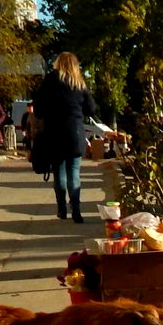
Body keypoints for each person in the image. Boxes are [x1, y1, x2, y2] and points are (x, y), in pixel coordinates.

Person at [33, 52, 98, 223]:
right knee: (74, 173)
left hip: (54, 134)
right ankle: (76, 209)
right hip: (74, 133)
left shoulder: (49, 81)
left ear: (58, 64)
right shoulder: (79, 83)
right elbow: (91, 109)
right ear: (75, 66)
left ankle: (62, 209)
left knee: (59, 172)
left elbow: (38, 109)